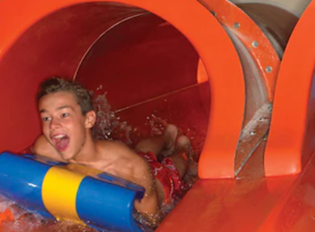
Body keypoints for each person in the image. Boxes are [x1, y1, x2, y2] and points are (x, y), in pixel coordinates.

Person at [30, 77, 194, 223]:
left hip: (158, 185)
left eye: (64, 115)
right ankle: (167, 137)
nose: (53, 125)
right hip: (130, 158)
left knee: (171, 169)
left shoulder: (130, 168)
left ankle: (182, 147)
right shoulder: (45, 150)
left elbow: (152, 222)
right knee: (141, 151)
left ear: (89, 120)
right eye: (46, 118)